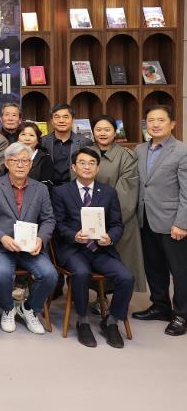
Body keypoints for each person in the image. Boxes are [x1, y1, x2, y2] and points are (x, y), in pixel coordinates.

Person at [51, 148, 134, 348]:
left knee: (126, 278)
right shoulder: (61, 192)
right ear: (73, 167)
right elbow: (58, 224)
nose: (87, 167)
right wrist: (74, 235)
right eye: (82, 163)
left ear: (97, 168)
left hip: (100, 249)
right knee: (81, 273)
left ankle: (111, 320)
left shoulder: (108, 192)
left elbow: (117, 224)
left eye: (91, 163)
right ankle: (83, 320)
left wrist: (110, 237)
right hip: (74, 249)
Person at [0, 142, 57, 335]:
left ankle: (29, 308)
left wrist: (41, 239)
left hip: (30, 248)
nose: (20, 165)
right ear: (7, 163)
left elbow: (49, 219)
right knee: (2, 273)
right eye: (15, 161)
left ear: (31, 164)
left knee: (49, 275)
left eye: (25, 160)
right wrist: (2, 237)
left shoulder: (41, 189)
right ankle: (8, 308)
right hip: (1, 247)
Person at [133, 105, 187, 336]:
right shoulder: (140, 149)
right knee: (154, 267)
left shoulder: (181, 151)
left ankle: (182, 315)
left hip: (172, 222)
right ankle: (160, 306)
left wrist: (182, 223)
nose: (155, 124)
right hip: (145, 218)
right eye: (150, 120)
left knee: (180, 271)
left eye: (160, 120)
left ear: (172, 123)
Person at [91, 115, 146, 294]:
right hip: (90, 222)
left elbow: (127, 193)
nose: (103, 133)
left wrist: (106, 221)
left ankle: (118, 304)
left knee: (121, 267)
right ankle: (100, 300)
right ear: (93, 132)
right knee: (92, 267)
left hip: (119, 219)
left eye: (107, 129)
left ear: (115, 132)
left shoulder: (126, 156)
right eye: (98, 129)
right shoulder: (85, 153)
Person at [40, 103, 92, 186]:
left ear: (73, 120)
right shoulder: (42, 142)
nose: (61, 121)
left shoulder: (85, 142)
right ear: (52, 121)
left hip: (74, 188)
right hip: (48, 188)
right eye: (57, 117)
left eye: (65, 117)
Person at [17, 121, 53, 186]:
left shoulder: (45, 158)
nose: (27, 139)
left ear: (37, 140)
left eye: (31, 135)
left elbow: (46, 185)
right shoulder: (11, 156)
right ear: (17, 138)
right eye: (23, 134)